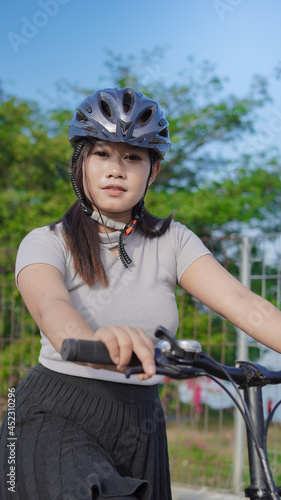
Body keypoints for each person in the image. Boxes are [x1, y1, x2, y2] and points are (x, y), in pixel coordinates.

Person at [1, 87, 281, 500]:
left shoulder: (173, 241)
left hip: (142, 421)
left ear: (153, 171)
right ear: (79, 164)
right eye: (101, 154)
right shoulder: (45, 242)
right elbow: (51, 306)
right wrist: (95, 339)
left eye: (132, 157)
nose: (116, 169)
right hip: (54, 414)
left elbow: (245, 304)